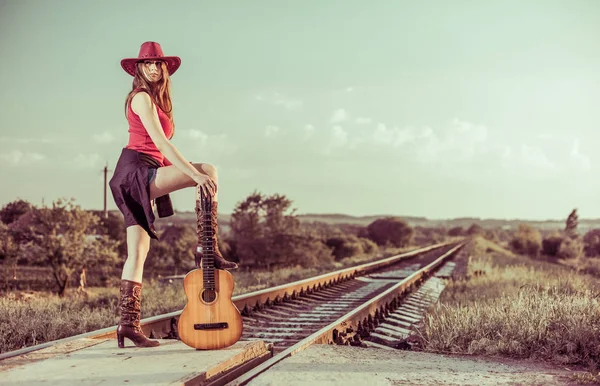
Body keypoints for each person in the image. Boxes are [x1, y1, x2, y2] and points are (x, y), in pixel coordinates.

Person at [109, 41, 238, 349]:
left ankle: (128, 325)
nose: (153, 68)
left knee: (137, 254)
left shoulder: (156, 100)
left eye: (158, 64)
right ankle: (207, 247)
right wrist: (194, 175)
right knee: (208, 168)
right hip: (135, 171)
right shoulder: (141, 98)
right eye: (147, 64)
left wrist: (179, 179)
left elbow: (162, 153)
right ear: (139, 69)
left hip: (139, 173)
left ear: (165, 69)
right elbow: (161, 145)